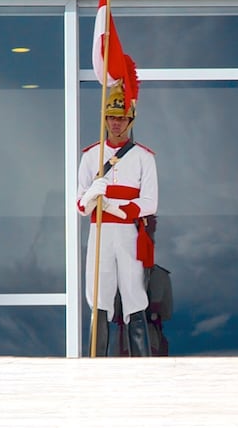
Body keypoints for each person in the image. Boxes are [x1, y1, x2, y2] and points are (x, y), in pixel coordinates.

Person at [77, 79, 158, 357]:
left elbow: (150, 202)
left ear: (130, 120)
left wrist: (115, 207)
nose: (116, 123)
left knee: (134, 295)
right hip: (100, 233)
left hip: (128, 233)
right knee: (98, 295)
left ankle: (142, 364)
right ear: (105, 118)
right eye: (112, 117)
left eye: (121, 118)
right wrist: (92, 194)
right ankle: (95, 364)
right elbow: (80, 205)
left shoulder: (144, 157)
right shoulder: (91, 156)